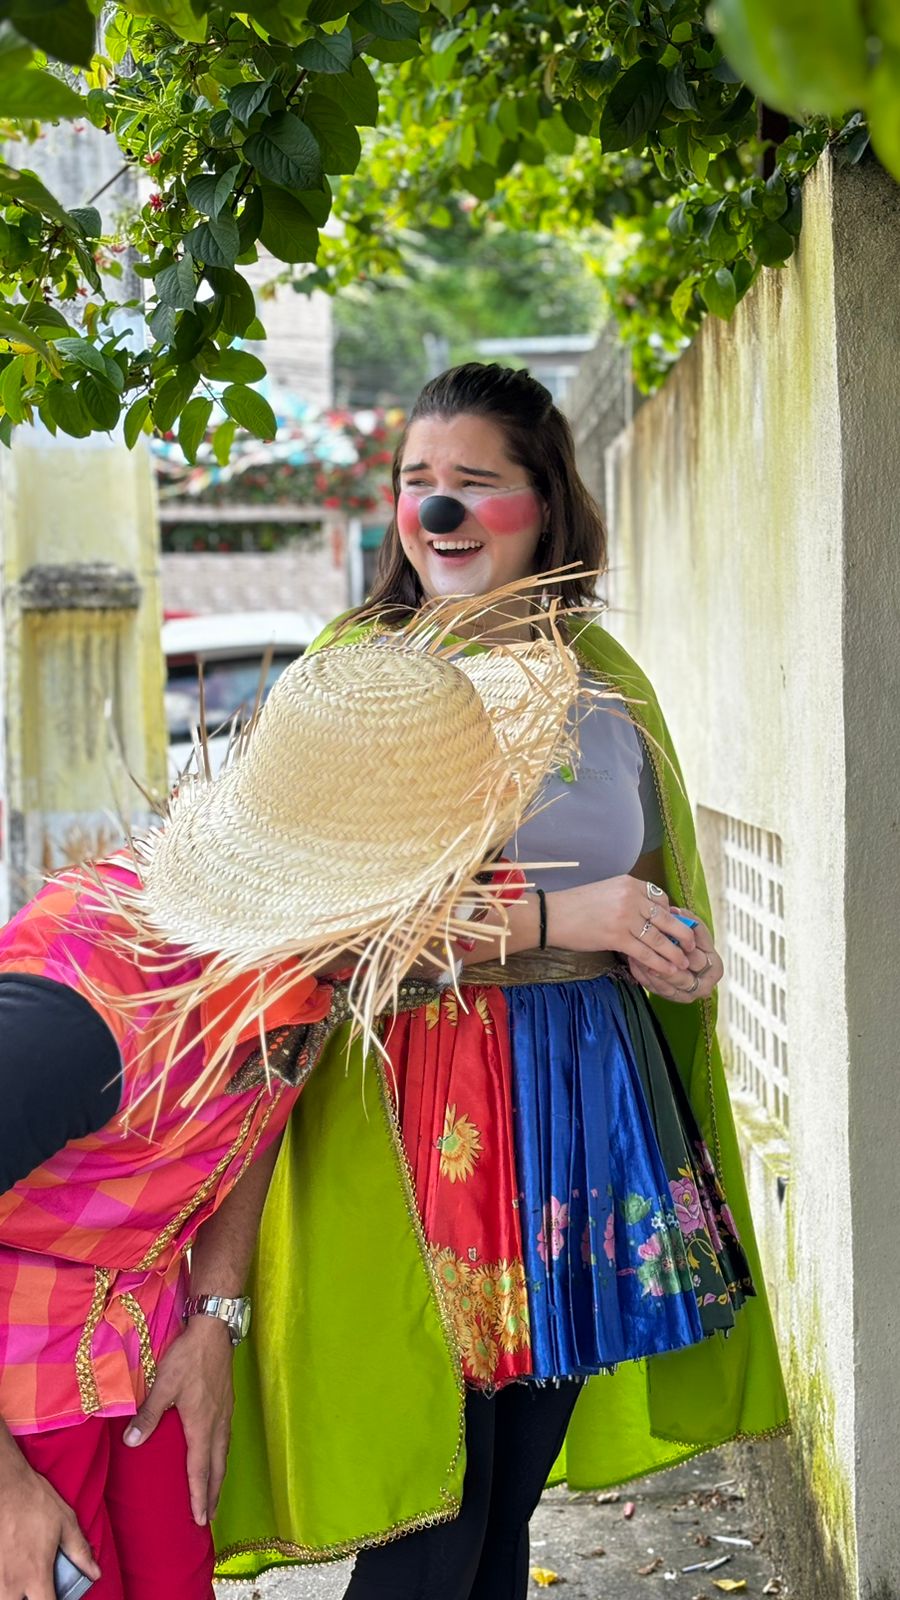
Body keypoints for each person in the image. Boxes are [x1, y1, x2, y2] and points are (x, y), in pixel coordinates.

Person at [214, 362, 789, 1599]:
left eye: (475, 482)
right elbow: (317, 930)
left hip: (586, 1117)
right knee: (432, 1522)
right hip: (423, 1131)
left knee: (504, 1510)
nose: (439, 514)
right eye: (419, 483)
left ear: (545, 501)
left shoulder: (604, 678)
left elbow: (637, 876)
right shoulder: (356, 674)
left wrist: (657, 941)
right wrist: (551, 914)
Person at [0, 627, 576, 1600]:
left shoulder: (314, 959)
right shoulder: (86, 1012)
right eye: (453, 883)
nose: (483, 906)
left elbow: (256, 1110)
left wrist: (216, 1314)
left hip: (144, 1351)